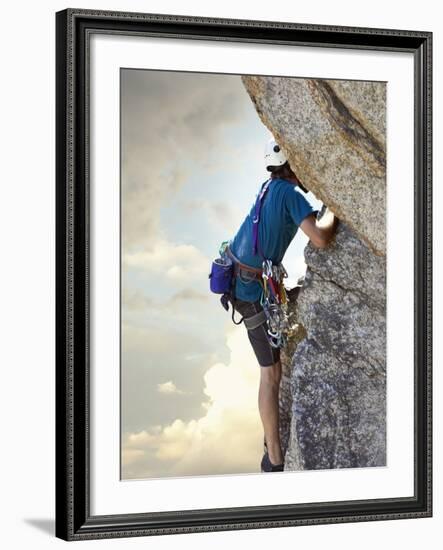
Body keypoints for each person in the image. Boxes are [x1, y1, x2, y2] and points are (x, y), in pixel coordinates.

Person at [227, 137, 338, 472]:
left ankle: (270, 447)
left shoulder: (268, 188)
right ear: (292, 165)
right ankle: (274, 459)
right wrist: (334, 209)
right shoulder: (290, 194)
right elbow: (320, 238)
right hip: (250, 291)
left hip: (242, 280)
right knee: (271, 373)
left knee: (271, 371)